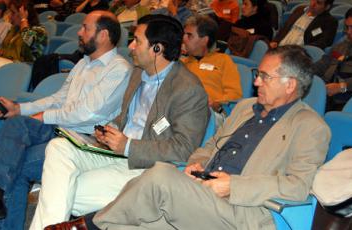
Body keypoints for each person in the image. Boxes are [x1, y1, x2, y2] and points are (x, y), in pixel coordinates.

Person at [50, 45, 332, 230]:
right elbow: (211, 145)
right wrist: (196, 164)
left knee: (160, 175)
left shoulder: (310, 126)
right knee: (131, 224)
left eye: (264, 76)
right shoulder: (246, 108)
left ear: (290, 84)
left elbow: (297, 187)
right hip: (202, 192)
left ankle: (86, 225)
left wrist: (233, 186)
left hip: (245, 212)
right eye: (257, 74)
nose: (256, 81)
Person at [0, 10, 132, 230]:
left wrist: (42, 116)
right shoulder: (84, 64)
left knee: (16, 162)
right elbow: (58, 98)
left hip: (85, 140)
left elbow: (87, 114)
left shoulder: (118, 69)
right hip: (62, 129)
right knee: (15, 122)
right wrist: (20, 108)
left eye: (85, 28)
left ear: (104, 35)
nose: (79, 33)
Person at [31, 14, 209, 229]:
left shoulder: (187, 89)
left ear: (157, 49)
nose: (131, 46)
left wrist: (128, 145)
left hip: (145, 167)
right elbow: (125, 118)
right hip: (114, 153)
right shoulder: (137, 73)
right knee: (58, 147)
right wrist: (110, 129)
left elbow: (183, 149)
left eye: (137, 40)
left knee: (58, 191)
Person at [181, 15, 242, 114]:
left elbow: (234, 94)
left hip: (210, 113)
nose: (184, 39)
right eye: (184, 35)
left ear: (204, 40)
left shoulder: (223, 60)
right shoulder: (181, 63)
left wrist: (216, 104)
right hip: (183, 110)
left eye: (189, 35)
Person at [270, 0, 337, 50]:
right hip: (279, 48)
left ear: (327, 7)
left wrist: (302, 50)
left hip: (298, 54)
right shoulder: (300, 9)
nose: (313, 4)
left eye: (318, 3)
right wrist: (275, 41)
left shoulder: (330, 22)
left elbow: (322, 43)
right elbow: (285, 28)